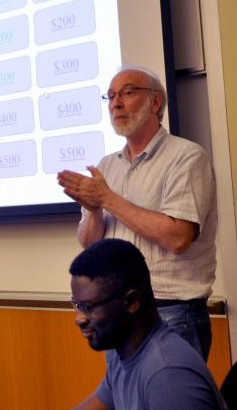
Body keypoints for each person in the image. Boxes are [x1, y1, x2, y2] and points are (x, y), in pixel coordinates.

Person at [57, 65, 217, 360]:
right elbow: (91, 245)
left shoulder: (186, 157)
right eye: (111, 96)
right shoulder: (107, 167)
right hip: (117, 311)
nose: (116, 103)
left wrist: (107, 198)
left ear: (156, 102)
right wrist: (93, 211)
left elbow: (178, 237)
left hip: (170, 311)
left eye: (128, 93)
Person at [69, 238, 226, 409]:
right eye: (76, 305)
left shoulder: (168, 376)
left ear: (131, 302)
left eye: (88, 307)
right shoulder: (124, 358)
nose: (79, 319)